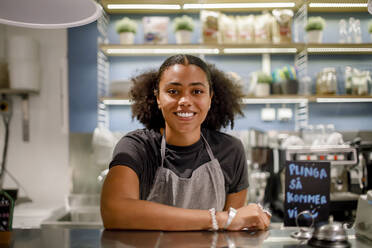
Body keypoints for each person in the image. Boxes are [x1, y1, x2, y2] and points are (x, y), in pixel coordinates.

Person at [101, 54, 271, 231]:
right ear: (158, 97)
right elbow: (115, 211)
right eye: (173, 91)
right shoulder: (137, 146)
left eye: (197, 91)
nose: (185, 101)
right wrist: (218, 219)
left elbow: (231, 230)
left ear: (210, 98)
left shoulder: (231, 151)